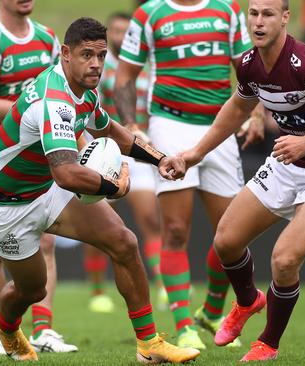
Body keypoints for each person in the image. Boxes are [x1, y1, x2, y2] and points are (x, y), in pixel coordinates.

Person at [0, 17, 200, 363]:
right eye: (86, 55)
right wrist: (115, 186)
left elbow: (111, 130)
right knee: (32, 289)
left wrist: (159, 159)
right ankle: (5, 325)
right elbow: (66, 173)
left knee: (124, 242)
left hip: (44, 190)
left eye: (101, 55)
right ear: (65, 53)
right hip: (6, 204)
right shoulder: (55, 101)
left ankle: (149, 344)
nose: (95, 64)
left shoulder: (84, 90)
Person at [166, 0, 305, 361]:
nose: (259, 22)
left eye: (268, 14)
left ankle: (267, 343)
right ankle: (248, 300)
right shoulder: (249, 64)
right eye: (253, 14)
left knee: (284, 261)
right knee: (226, 240)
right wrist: (195, 153)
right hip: (286, 163)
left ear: (285, 17)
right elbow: (237, 107)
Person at [114, 0, 266, 349]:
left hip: (219, 126)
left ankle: (213, 309)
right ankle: (184, 325)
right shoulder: (150, 13)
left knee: (231, 235)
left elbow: (248, 68)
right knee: (176, 229)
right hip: (169, 124)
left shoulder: (226, 10)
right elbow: (125, 77)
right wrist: (132, 125)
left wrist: (256, 114)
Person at [0, 0, 77, 354]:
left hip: (36, 148)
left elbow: (60, 90)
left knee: (47, 240)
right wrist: (38, 109)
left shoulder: (47, 37)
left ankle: (44, 329)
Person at [81, 11, 164, 314]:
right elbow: (90, 113)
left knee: (150, 220)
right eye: (115, 31)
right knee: (97, 224)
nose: (120, 37)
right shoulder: (98, 68)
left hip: (137, 150)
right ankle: (97, 290)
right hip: (102, 152)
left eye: (125, 31)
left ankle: (162, 286)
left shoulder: (147, 67)